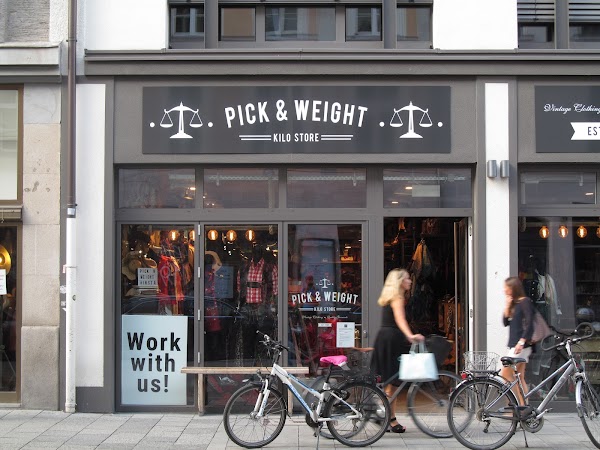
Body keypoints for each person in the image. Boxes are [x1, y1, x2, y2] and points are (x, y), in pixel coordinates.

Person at [371, 268, 424, 433]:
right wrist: (410, 335)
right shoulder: (397, 298)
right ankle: (389, 418)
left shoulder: (389, 298)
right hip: (392, 340)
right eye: (407, 278)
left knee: (390, 383)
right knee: (392, 383)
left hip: (386, 338)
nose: (410, 281)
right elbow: (400, 320)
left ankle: (386, 416)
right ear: (400, 282)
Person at [500, 276, 534, 407]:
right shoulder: (514, 303)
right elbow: (505, 322)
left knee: (505, 374)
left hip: (520, 346)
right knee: (519, 377)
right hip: (515, 344)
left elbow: (530, 323)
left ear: (513, 288)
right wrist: (507, 306)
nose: (504, 290)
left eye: (506, 288)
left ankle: (516, 404)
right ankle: (523, 406)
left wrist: (522, 341)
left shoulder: (525, 301)